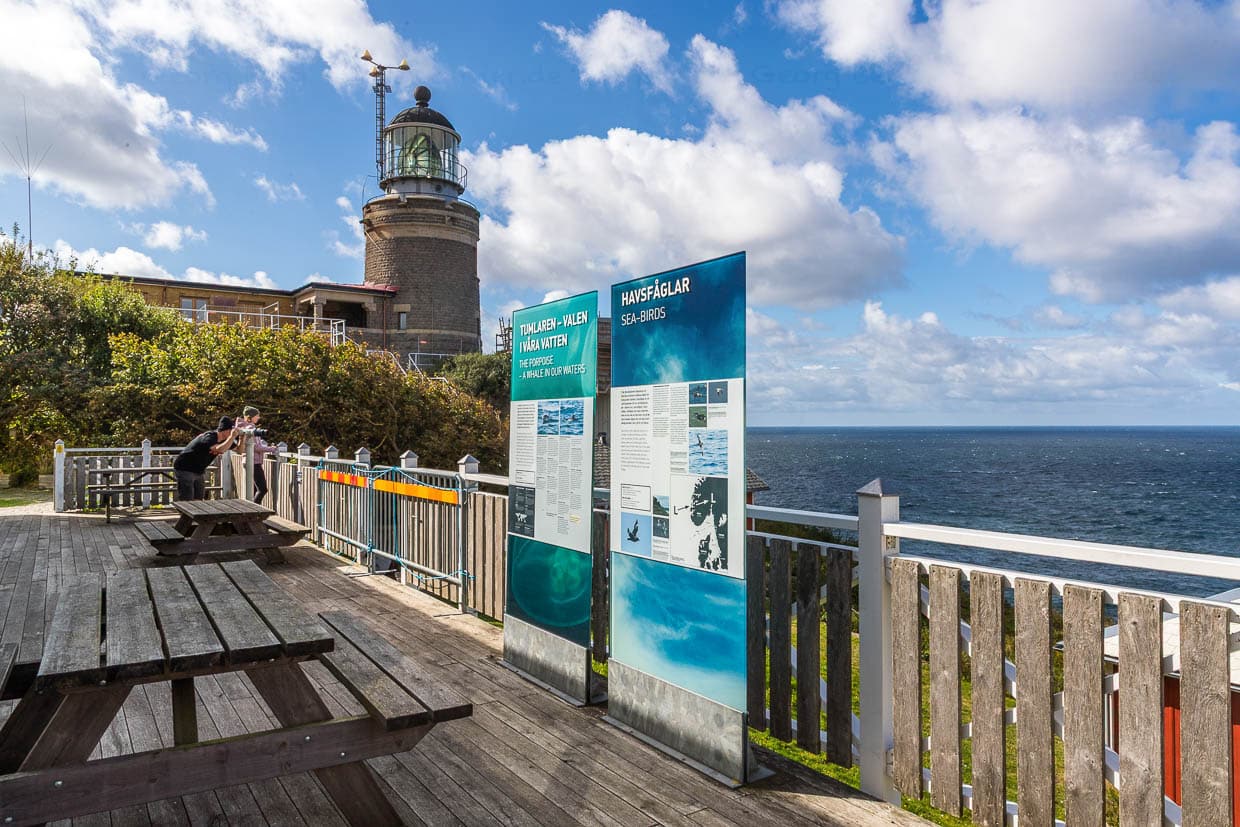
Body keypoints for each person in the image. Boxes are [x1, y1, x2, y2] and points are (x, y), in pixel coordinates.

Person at [172, 417, 240, 501]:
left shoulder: (226, 440)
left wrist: (243, 438)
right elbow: (220, 449)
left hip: (198, 470)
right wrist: (232, 437)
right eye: (230, 430)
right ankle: (185, 514)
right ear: (225, 430)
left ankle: (196, 514)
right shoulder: (209, 437)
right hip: (184, 468)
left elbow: (240, 450)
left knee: (199, 498)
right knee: (187, 499)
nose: (232, 433)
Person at [236, 406, 278, 503]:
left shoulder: (245, 427)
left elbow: (256, 445)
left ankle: (252, 512)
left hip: (250, 461)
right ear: (250, 417)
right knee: (262, 489)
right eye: (257, 415)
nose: (258, 417)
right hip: (253, 462)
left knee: (254, 490)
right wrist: (271, 449)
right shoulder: (250, 428)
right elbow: (256, 447)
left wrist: (265, 445)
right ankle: (254, 512)